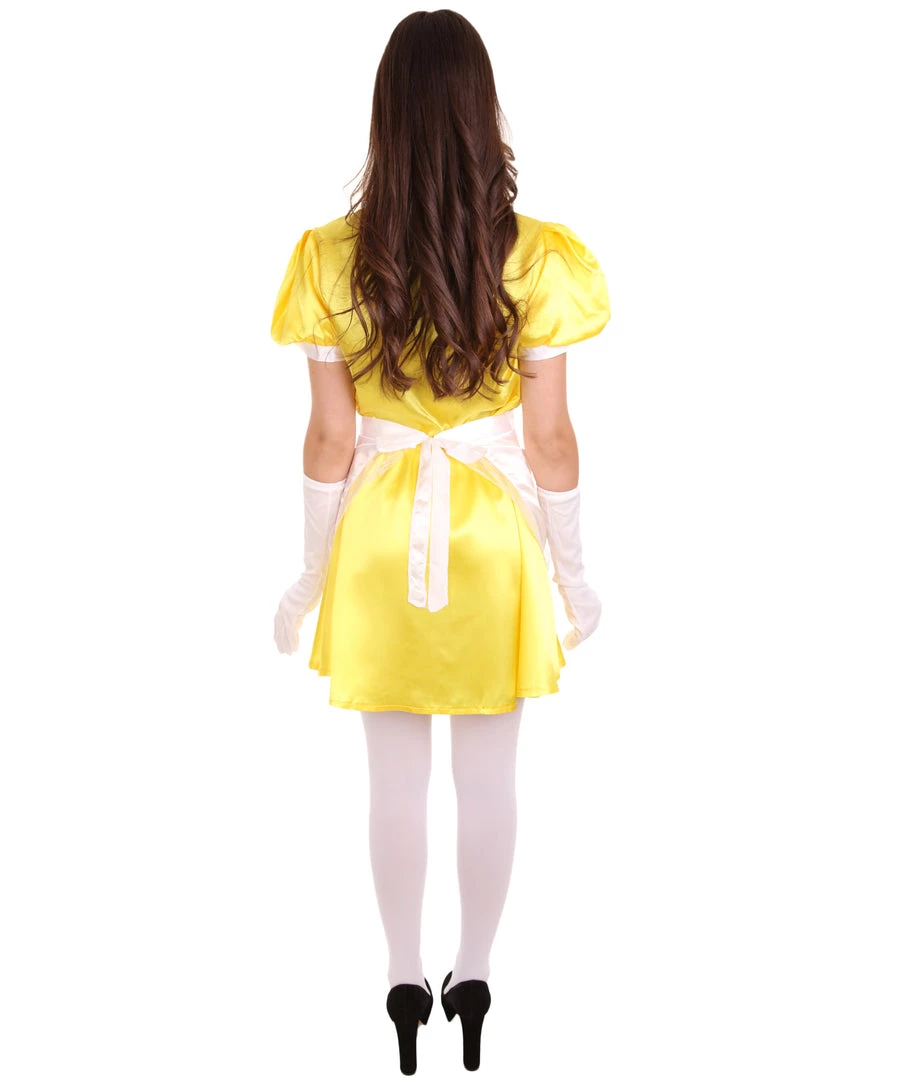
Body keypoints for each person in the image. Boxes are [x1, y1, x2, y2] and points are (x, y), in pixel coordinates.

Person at [269, 10, 610, 1074]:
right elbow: (548, 440)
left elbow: (331, 438)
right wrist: (573, 574)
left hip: (378, 532)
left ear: (385, 117)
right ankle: (474, 974)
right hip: (492, 535)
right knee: (491, 775)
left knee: (393, 779)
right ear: (480, 113)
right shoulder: (536, 258)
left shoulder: (329, 260)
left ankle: (400, 976)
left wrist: (308, 576)